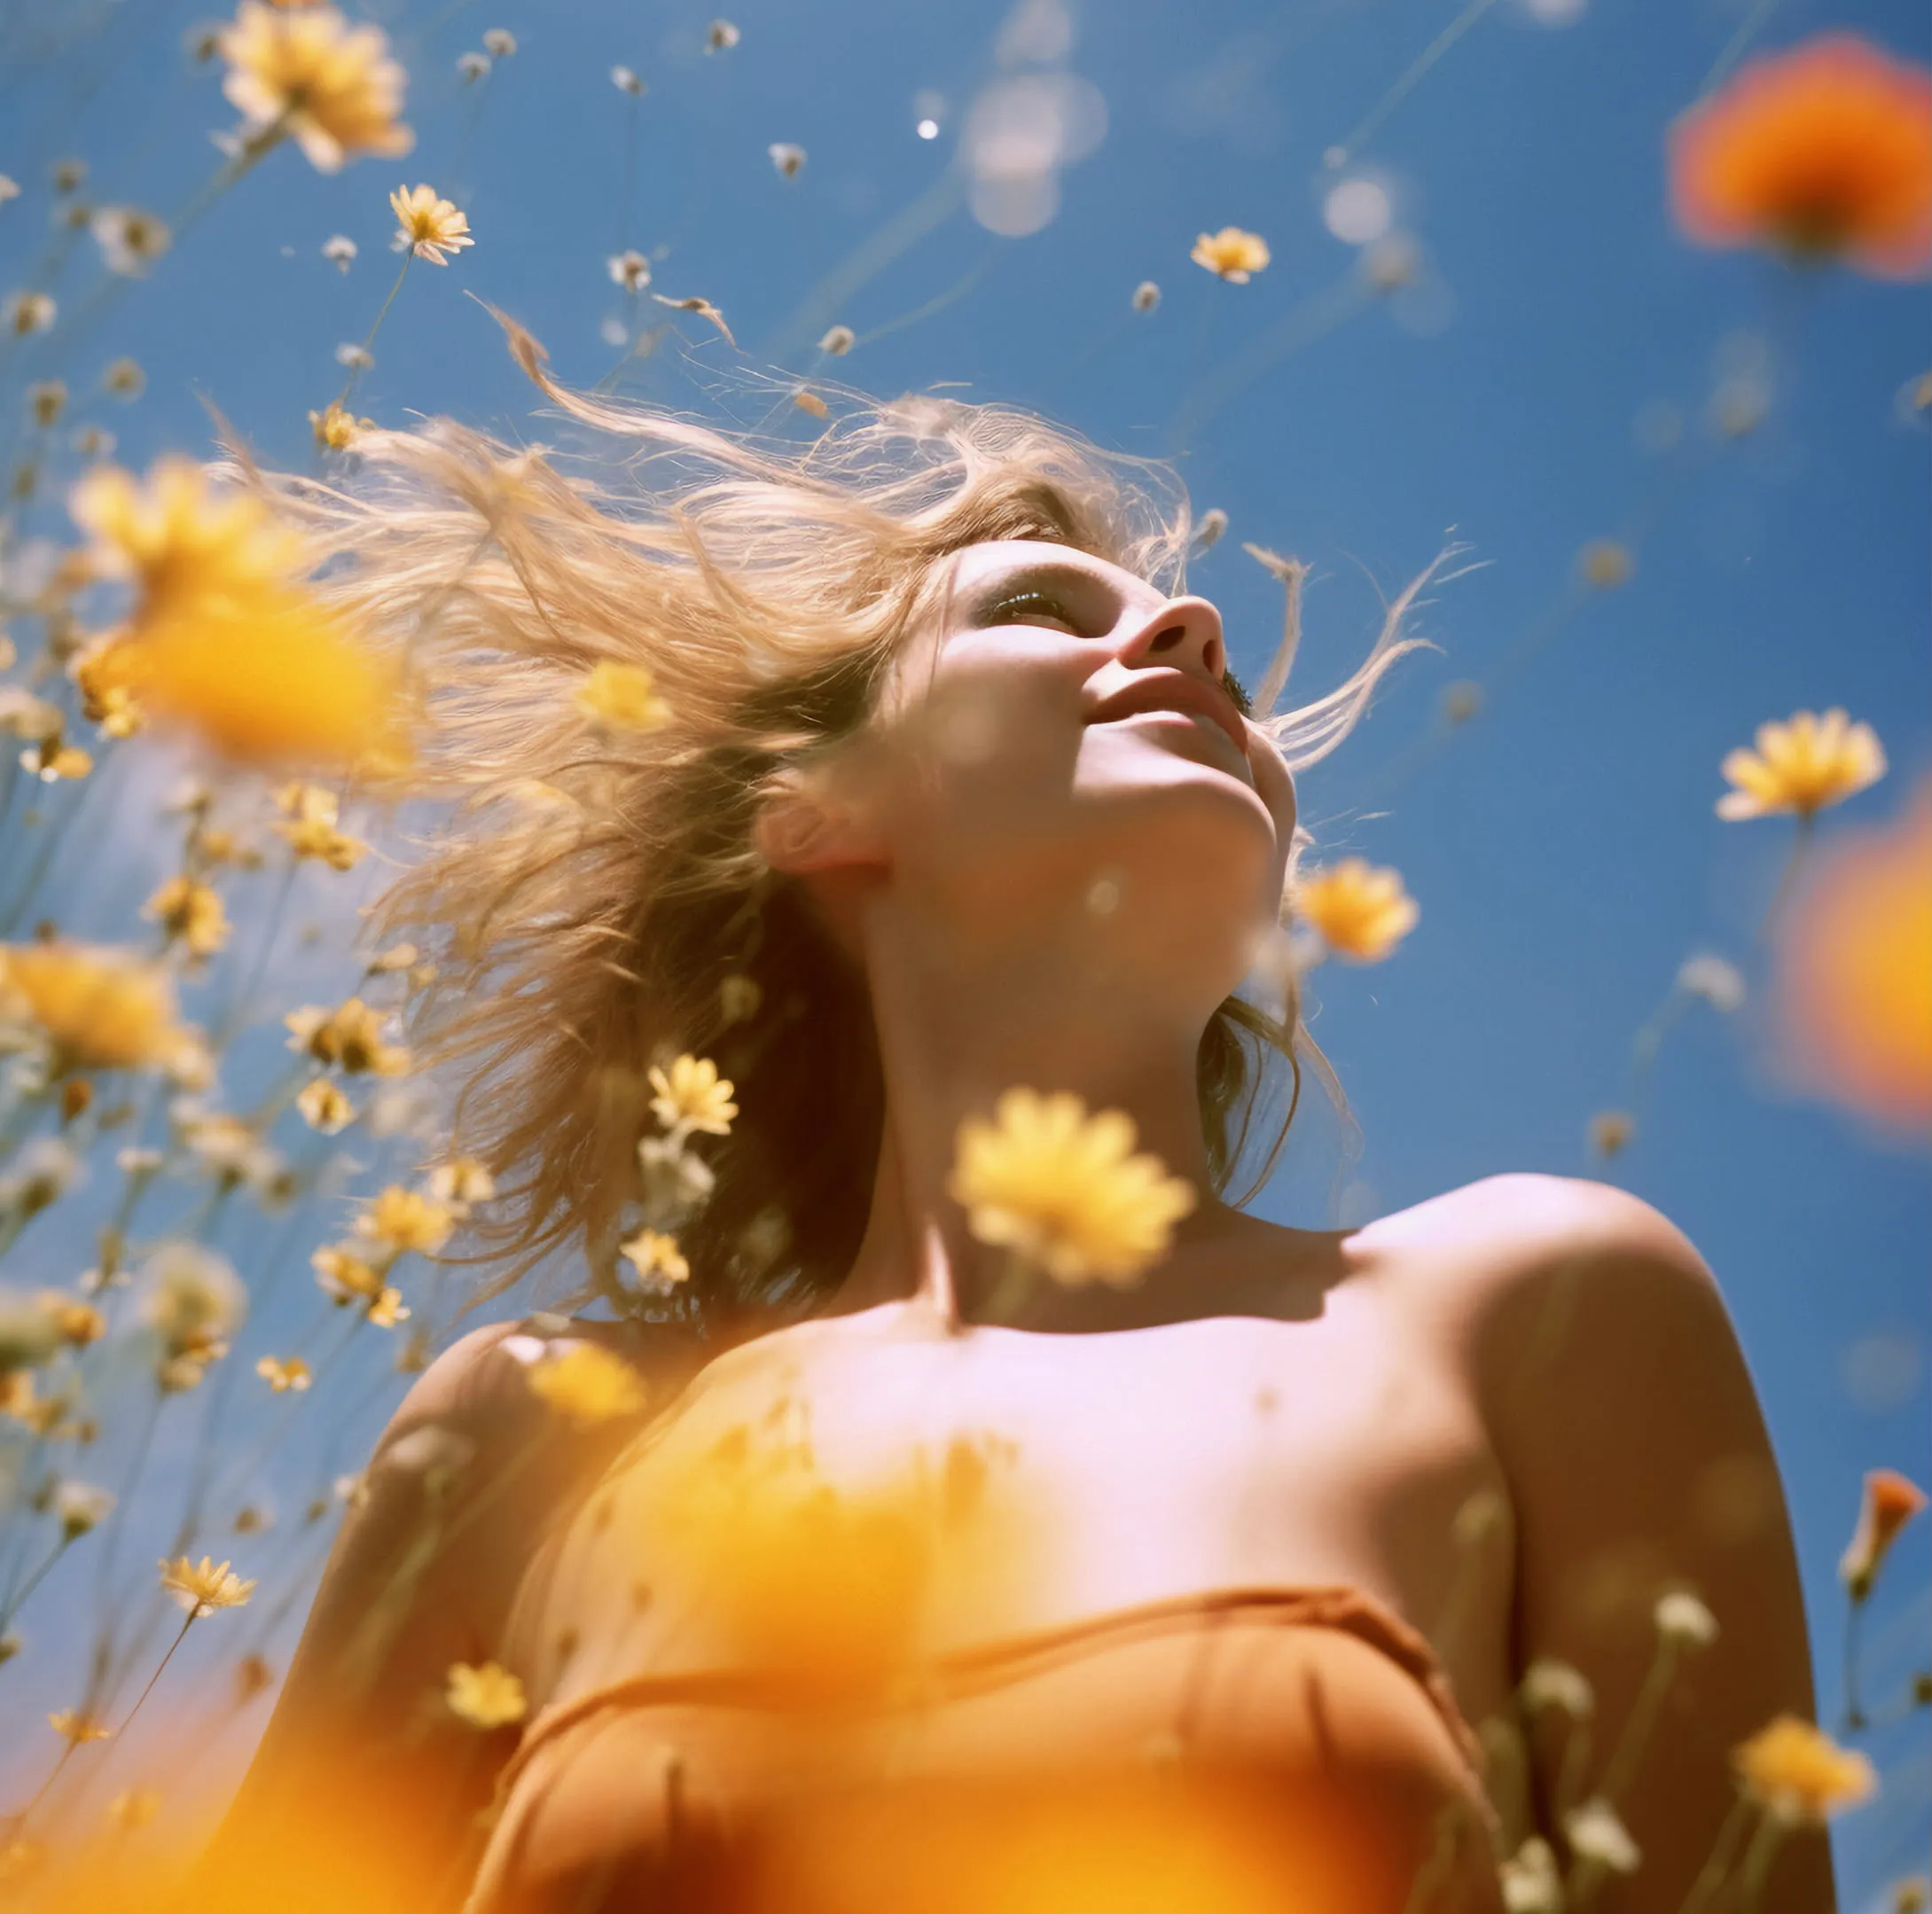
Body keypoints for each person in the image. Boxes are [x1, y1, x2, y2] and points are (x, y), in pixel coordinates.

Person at [195, 342, 1829, 1914]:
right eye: (1040, 610)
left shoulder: (1532, 1305)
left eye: (1215, 657)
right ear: (809, 809)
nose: (1193, 630)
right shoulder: (533, 1430)